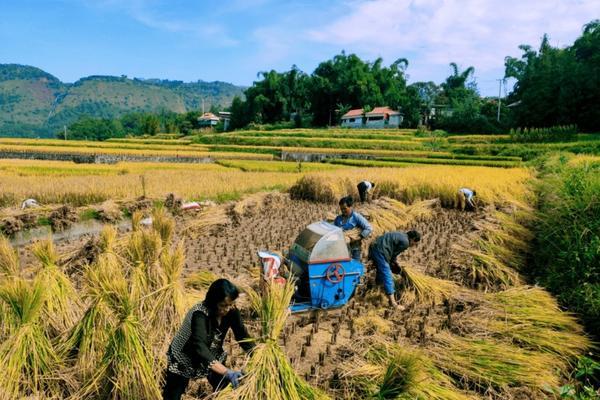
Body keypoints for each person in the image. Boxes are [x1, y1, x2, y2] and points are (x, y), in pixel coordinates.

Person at [163, 279, 254, 400]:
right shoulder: (199, 314)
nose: (227, 309)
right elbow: (199, 346)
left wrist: (257, 354)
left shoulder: (231, 311)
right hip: (185, 356)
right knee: (173, 392)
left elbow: (241, 335)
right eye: (223, 305)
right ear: (213, 302)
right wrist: (227, 372)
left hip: (212, 352)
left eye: (230, 304)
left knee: (223, 387)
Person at [368, 230, 421, 310]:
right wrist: (395, 265)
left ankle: (377, 287)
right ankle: (393, 303)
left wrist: (394, 263)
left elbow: (392, 252)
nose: (413, 245)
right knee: (387, 274)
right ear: (413, 239)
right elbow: (393, 255)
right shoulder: (406, 242)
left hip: (374, 247)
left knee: (381, 269)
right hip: (381, 251)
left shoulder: (402, 234)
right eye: (415, 243)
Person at [334, 196, 372, 260]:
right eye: (341, 209)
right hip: (341, 248)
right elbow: (333, 229)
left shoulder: (356, 217)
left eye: (345, 208)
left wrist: (358, 237)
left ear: (350, 207)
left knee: (355, 265)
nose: (343, 211)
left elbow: (368, 228)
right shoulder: (338, 219)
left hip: (355, 247)